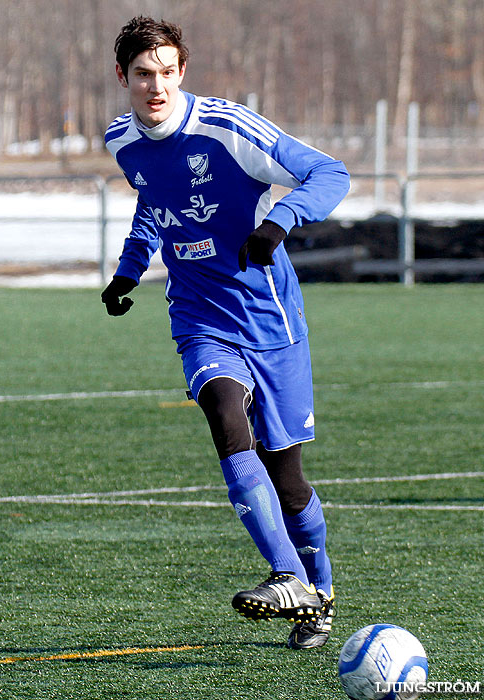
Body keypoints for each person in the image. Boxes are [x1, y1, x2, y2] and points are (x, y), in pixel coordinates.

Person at [101, 16, 350, 650]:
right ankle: (288, 576)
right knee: (221, 409)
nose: (155, 86)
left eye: (166, 72)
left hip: (270, 318)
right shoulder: (121, 142)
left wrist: (280, 222)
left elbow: (330, 173)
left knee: (288, 479)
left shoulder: (227, 128)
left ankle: (318, 596)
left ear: (182, 72)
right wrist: (129, 269)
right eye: (141, 75)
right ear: (123, 78)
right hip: (198, 316)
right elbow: (154, 206)